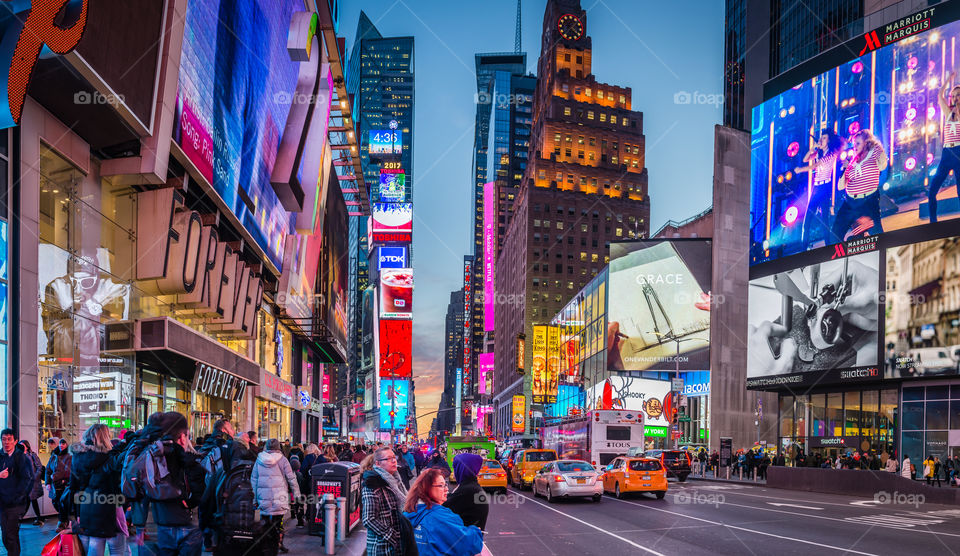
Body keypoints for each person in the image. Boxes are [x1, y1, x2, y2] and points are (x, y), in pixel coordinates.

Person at [137, 412, 207, 556]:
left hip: (155, 524)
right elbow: (201, 491)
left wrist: (139, 525)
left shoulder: (148, 456)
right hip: (186, 524)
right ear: (182, 437)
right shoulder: (189, 460)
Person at [69, 424, 128, 556]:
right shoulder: (109, 458)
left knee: (91, 543)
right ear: (105, 437)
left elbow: (73, 486)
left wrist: (75, 513)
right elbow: (117, 485)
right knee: (111, 546)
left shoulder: (77, 457)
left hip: (85, 507)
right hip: (107, 507)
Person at [403, 468, 484, 556]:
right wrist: (475, 531)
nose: (446, 489)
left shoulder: (409, 512)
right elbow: (466, 544)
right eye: (441, 485)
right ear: (427, 488)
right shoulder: (441, 517)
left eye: (446, 484)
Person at [831, 129, 887, 243]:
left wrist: (878, 149)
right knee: (835, 234)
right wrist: (846, 168)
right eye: (853, 144)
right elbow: (840, 186)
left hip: (868, 201)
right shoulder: (853, 161)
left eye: (858, 143)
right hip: (850, 203)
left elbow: (883, 165)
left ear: (866, 142)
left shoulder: (874, 152)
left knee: (877, 236)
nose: (854, 146)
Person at [794, 131, 844, 248]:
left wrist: (800, 170)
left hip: (824, 188)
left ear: (829, 141)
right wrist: (813, 148)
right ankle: (803, 250)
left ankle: (828, 247)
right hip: (816, 188)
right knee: (807, 221)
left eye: (824, 138)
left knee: (824, 221)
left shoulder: (831, 155)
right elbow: (805, 159)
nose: (821, 140)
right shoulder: (819, 154)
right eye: (821, 138)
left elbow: (814, 166)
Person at [252, 439, 301, 555]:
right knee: (278, 523)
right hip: (279, 498)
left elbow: (253, 480)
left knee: (265, 523)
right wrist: (297, 495)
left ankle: (265, 545)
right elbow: (291, 478)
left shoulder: (259, 460)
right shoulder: (283, 460)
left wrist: (254, 499)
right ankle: (278, 544)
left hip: (262, 498)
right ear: (279, 447)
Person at [361, 446, 408, 555]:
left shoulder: (396, 480)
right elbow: (369, 519)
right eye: (388, 459)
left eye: (394, 457)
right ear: (378, 464)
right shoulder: (372, 484)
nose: (394, 461)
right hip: (382, 547)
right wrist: (392, 536)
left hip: (397, 545)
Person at [929, 72, 960, 222]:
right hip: (947, 153)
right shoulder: (948, 112)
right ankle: (933, 223)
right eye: (953, 96)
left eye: (958, 95)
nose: (955, 98)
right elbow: (940, 95)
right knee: (932, 190)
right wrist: (949, 79)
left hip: (959, 152)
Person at [0, 429, 32, 556]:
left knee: (11, 534)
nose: (6, 442)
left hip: (15, 504)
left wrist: (18, 497)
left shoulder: (22, 458)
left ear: (15, 441)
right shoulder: (0, 456)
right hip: (2, 503)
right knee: (5, 536)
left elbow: (28, 479)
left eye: (9, 439)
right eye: (4, 439)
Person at [443, 453, 488, 529]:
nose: (453, 472)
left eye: (455, 468)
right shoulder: (471, 486)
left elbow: (443, 508)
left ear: (462, 470)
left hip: (466, 538)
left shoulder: (468, 490)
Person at [46, 436, 71, 532]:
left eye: (63, 443)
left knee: (62, 503)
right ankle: (64, 520)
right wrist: (48, 482)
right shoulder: (54, 455)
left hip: (64, 484)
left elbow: (67, 470)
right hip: (54, 485)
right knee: (55, 503)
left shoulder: (70, 455)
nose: (61, 445)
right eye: (60, 443)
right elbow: (48, 470)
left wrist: (55, 477)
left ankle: (62, 522)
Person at [18, 441, 43, 526]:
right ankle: (38, 518)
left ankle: (20, 519)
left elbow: (39, 467)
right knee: (29, 500)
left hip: (32, 482)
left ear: (27, 446)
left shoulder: (32, 455)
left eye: (22, 445)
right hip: (24, 483)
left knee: (30, 500)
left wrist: (35, 478)